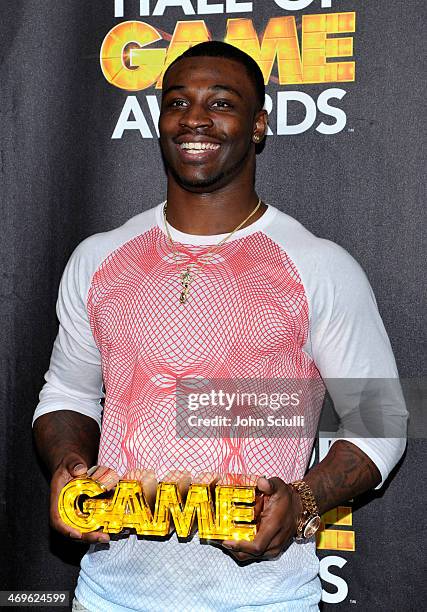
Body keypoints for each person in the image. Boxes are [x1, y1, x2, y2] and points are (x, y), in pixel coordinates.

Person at [33, 41, 407, 611]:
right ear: (161, 121)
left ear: (258, 125)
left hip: (265, 599)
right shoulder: (99, 258)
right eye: (178, 102)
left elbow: (382, 419)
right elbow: (68, 393)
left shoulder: (318, 265)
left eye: (222, 103)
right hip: (109, 594)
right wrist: (69, 466)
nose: (196, 119)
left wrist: (304, 500)